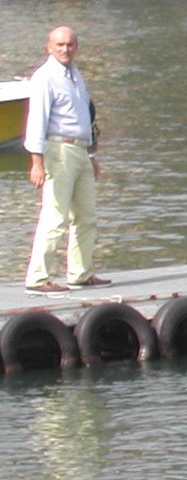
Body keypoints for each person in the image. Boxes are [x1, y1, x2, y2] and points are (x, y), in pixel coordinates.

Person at [24, 26, 109, 292]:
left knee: (86, 216)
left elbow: (85, 116)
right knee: (55, 215)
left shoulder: (74, 75)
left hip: (81, 151)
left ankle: (80, 273)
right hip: (58, 150)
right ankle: (38, 278)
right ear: (49, 47)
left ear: (76, 47)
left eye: (70, 44)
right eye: (60, 45)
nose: (65, 49)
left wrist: (92, 156)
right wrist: (37, 162)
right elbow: (37, 121)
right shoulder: (45, 77)